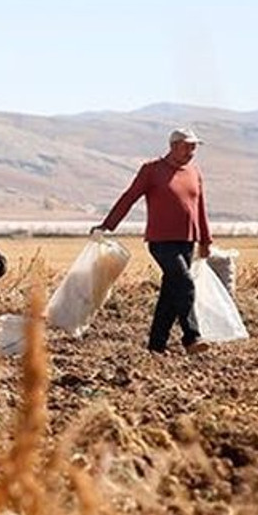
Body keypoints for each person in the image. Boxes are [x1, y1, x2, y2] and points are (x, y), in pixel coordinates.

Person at [91, 127, 213, 355]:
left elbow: (200, 208)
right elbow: (129, 197)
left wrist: (206, 239)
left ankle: (156, 346)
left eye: (195, 147)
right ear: (174, 146)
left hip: (187, 241)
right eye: (188, 146)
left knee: (171, 293)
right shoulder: (152, 170)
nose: (192, 151)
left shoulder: (194, 173)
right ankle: (192, 337)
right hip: (161, 241)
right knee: (185, 284)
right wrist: (108, 225)